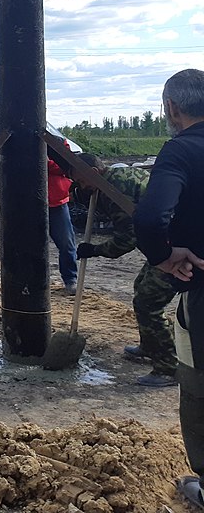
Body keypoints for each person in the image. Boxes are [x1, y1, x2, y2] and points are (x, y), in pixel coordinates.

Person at [133, 68, 204, 510]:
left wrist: (163, 256)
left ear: (172, 108)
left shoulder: (181, 151)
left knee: (197, 384)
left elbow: (150, 218)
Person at [73, 152, 177, 387]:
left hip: (178, 246)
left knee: (148, 303)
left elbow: (128, 238)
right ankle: (150, 345)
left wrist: (95, 250)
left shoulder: (114, 191)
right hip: (166, 245)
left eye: (81, 181)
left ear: (94, 172)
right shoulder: (119, 175)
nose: (82, 188)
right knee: (141, 286)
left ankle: (168, 368)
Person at [48, 156, 79, 294]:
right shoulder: (21, 140)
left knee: (67, 244)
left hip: (57, 203)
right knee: (30, 246)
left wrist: (44, 162)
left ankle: (70, 280)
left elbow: (66, 165)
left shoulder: (58, 142)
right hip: (30, 204)